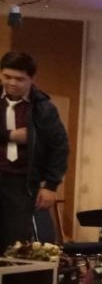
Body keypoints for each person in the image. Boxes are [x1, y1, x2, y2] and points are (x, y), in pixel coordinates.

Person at [0, 51, 69, 250]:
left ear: (32, 79)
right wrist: (10, 135)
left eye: (19, 79)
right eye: (7, 77)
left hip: (22, 183)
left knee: (14, 242)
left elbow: (59, 147)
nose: (12, 83)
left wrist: (51, 186)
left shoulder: (43, 108)